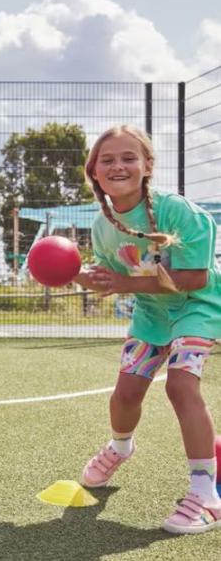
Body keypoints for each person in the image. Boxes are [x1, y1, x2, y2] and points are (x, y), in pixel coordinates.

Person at [74, 125, 221, 534]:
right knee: (126, 392)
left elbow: (193, 277)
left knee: (181, 385)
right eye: (107, 160)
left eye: (128, 157)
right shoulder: (102, 226)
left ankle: (206, 493)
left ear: (146, 166)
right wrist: (87, 277)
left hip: (198, 308)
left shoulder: (179, 212)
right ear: (94, 172)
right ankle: (120, 447)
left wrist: (123, 284)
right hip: (152, 314)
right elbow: (115, 275)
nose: (118, 165)